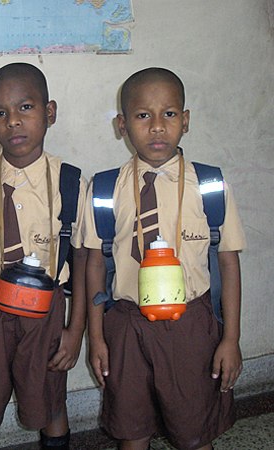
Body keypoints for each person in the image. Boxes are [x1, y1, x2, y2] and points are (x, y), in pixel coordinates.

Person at [83, 67, 246, 450]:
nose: (157, 126)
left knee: (194, 431)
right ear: (122, 124)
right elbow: (94, 264)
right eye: (143, 115)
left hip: (192, 325)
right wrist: (96, 337)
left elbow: (229, 264)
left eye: (169, 114)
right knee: (131, 429)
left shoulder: (210, 185)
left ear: (185, 120)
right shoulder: (105, 188)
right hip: (126, 324)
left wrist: (231, 339)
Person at [0, 62, 88, 450]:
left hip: (45, 308)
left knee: (50, 401)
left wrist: (75, 330)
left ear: (49, 112)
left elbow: (84, 261)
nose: (13, 122)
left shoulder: (70, 182)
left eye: (25, 107)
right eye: (0, 113)